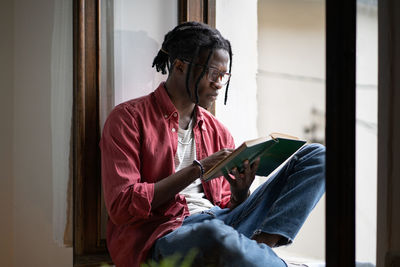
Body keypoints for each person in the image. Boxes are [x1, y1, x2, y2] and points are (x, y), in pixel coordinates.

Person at [100, 21, 325, 267]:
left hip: (223, 222)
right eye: (212, 74)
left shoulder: (217, 131)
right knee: (214, 236)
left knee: (318, 156)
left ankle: (259, 248)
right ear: (179, 66)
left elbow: (228, 206)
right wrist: (197, 169)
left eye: (223, 75)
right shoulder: (128, 119)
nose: (219, 83)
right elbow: (121, 205)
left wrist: (240, 193)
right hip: (166, 234)